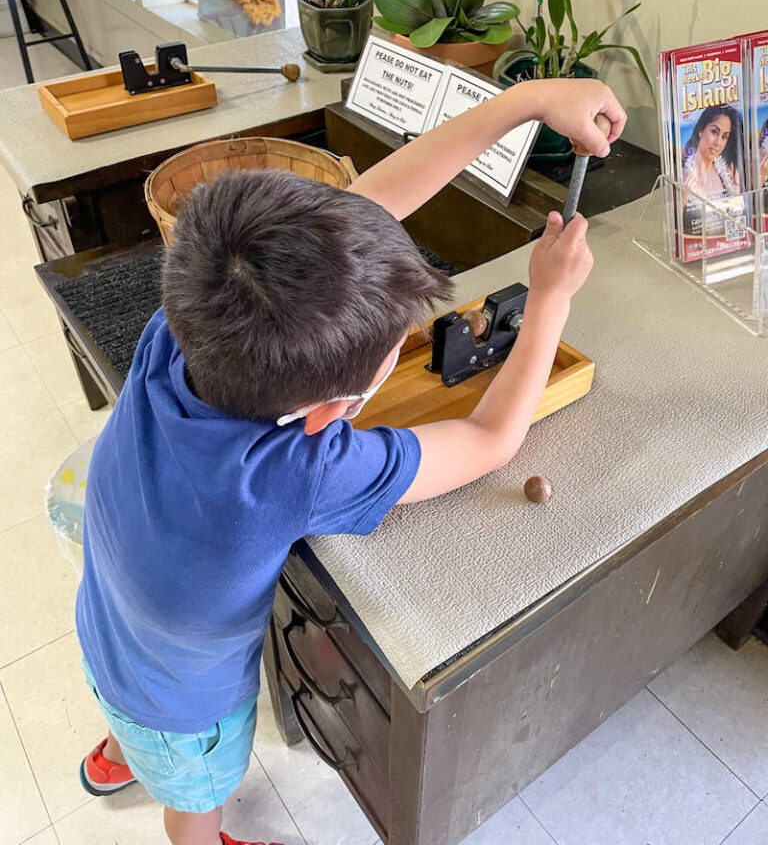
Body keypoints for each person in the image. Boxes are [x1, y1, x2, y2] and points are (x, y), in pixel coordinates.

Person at [76, 77, 625, 845]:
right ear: (330, 413)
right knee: (197, 788)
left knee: (126, 695)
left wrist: (530, 100)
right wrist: (551, 300)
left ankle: (120, 751)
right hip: (185, 702)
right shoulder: (297, 470)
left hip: (108, 613)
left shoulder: (180, 325)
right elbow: (489, 440)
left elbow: (366, 204)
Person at [681, 105, 745, 236]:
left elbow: (740, 222)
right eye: (714, 132)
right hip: (696, 248)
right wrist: (682, 197)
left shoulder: (730, 172)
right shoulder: (681, 174)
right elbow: (676, 227)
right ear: (701, 130)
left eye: (725, 136)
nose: (718, 142)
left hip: (727, 247)